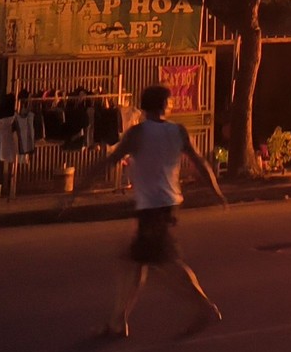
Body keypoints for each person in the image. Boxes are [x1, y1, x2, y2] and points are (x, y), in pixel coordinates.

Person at [96, 85, 225, 337]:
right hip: (162, 205)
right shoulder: (177, 131)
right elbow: (201, 162)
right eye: (170, 100)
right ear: (164, 104)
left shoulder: (138, 134)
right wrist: (216, 190)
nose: (173, 103)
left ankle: (205, 308)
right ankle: (118, 321)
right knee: (133, 261)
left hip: (154, 207)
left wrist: (79, 190)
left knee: (165, 263)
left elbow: (109, 161)